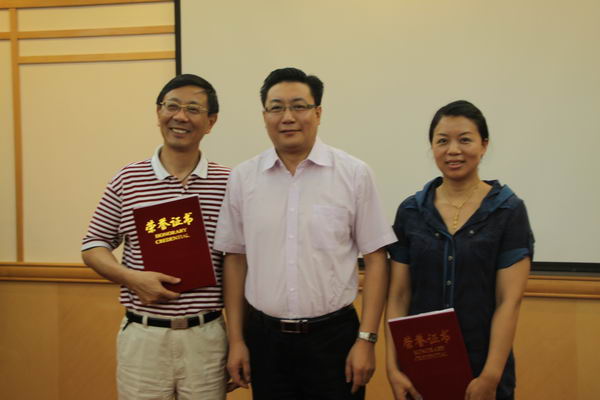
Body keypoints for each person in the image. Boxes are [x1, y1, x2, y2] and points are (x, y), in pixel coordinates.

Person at [213, 67, 397, 399]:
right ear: (265, 116)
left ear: (318, 113)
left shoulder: (353, 174)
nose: (288, 117)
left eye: (298, 106)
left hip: (334, 340)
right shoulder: (243, 178)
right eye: (276, 108)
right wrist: (237, 339)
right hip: (265, 341)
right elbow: (235, 260)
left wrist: (366, 339)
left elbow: (376, 259)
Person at [81, 74, 232, 400]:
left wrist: (239, 340)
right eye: (172, 106)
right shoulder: (128, 178)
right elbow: (93, 245)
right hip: (144, 336)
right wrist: (131, 278)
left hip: (206, 337)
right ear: (158, 112)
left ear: (211, 122)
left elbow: (238, 262)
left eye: (193, 109)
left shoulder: (228, 183)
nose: (180, 116)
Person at [385, 100, 534, 400]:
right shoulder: (411, 211)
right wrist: (393, 368)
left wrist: (490, 376)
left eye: (465, 140)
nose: (453, 150)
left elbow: (509, 301)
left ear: (484, 145)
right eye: (442, 141)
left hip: (484, 367)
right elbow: (399, 296)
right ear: (432, 147)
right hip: (420, 367)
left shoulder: (507, 210)